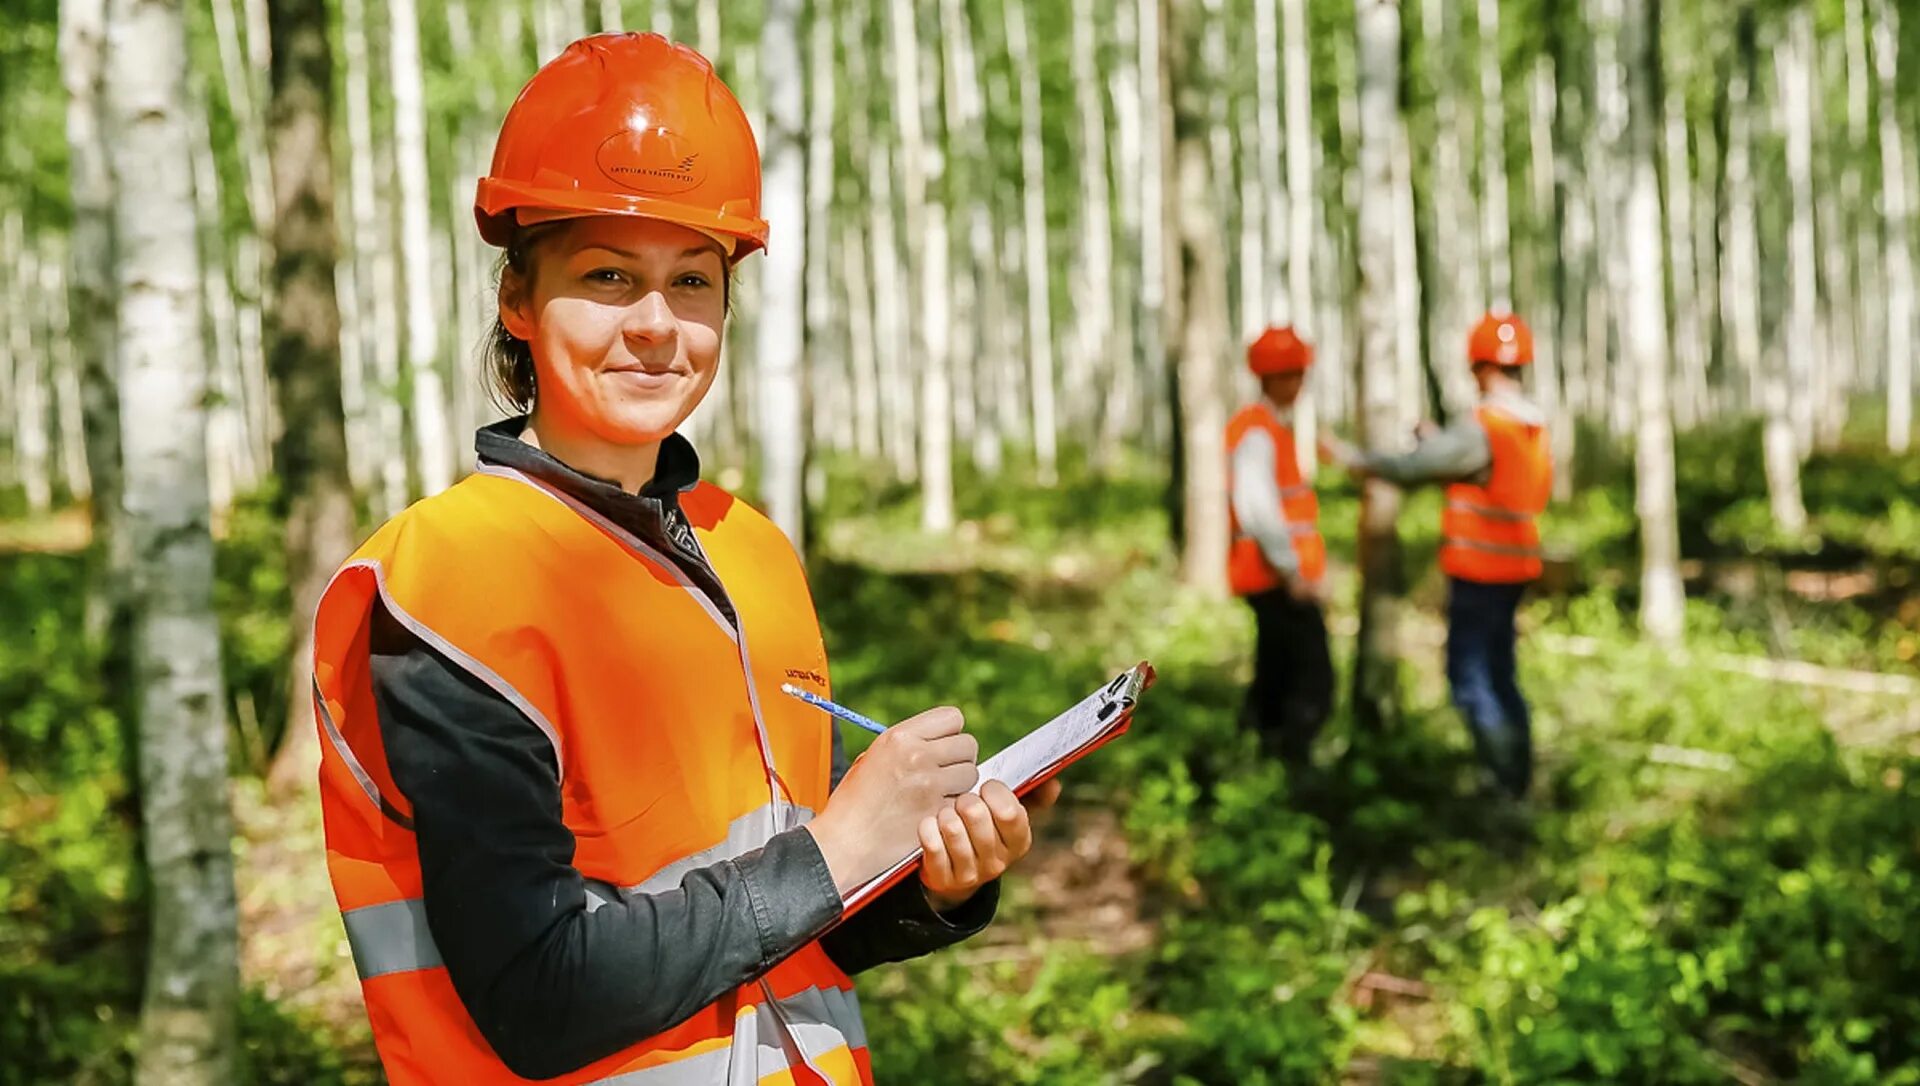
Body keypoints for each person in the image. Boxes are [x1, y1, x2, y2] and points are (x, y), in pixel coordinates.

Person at [309, 34, 1054, 1085]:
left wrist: (931, 878)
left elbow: (786, 931)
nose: (656, 326)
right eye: (609, 276)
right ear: (518, 299)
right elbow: (541, 995)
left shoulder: (749, 550)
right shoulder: (446, 582)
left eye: (691, 281)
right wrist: (840, 848)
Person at [1322, 312, 1553, 797]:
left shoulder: (1485, 426)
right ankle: (1521, 774)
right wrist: (1439, 445)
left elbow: (1417, 468)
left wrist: (1358, 461)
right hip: (1514, 569)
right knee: (1501, 674)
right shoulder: (1529, 426)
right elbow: (1481, 475)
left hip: (1481, 574)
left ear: (1482, 367)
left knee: (1469, 678)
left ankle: (1501, 781)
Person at [1226, 326, 1333, 766]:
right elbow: (1259, 510)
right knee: (1311, 679)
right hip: (1274, 579)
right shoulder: (1257, 433)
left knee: (1275, 671)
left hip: (1277, 576)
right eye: (1292, 373)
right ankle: (1289, 764)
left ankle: (1258, 754)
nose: (1300, 383)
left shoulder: (1270, 427)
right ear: (1270, 377)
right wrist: (1291, 571)